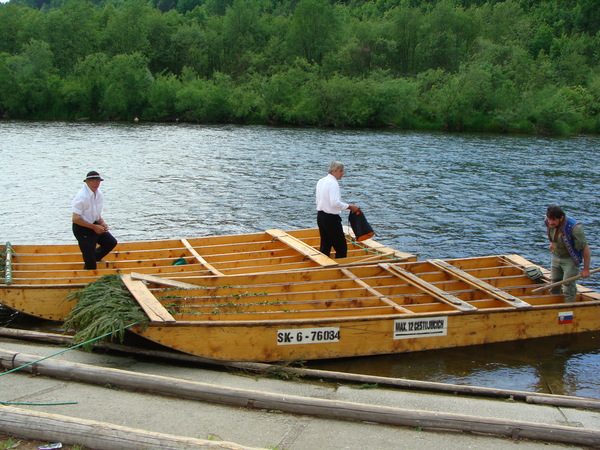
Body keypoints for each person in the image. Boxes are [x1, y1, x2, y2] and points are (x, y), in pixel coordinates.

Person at [72, 171, 118, 270]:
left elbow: (96, 213)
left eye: (97, 181)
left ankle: (95, 257)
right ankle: (89, 269)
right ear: (87, 182)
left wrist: (102, 223)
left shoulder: (99, 194)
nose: (95, 183)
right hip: (82, 228)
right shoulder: (82, 197)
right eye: (92, 181)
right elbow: (75, 219)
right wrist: (94, 227)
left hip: (94, 224)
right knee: (90, 265)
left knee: (111, 242)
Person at [544, 205, 591, 302]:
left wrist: (586, 269)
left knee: (568, 285)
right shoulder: (548, 221)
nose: (550, 222)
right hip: (556, 255)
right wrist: (552, 243)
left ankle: (569, 308)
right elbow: (551, 231)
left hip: (570, 258)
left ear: (561, 218)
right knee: (554, 283)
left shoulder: (575, 228)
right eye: (549, 219)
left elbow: (585, 248)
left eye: (553, 220)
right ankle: (554, 306)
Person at [315, 161, 359, 258]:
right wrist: (350, 206)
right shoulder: (333, 183)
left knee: (325, 246)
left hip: (321, 217)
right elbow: (334, 203)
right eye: (341, 171)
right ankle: (340, 270)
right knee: (341, 248)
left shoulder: (321, 181)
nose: (342, 173)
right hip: (331, 219)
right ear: (334, 171)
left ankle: (324, 268)